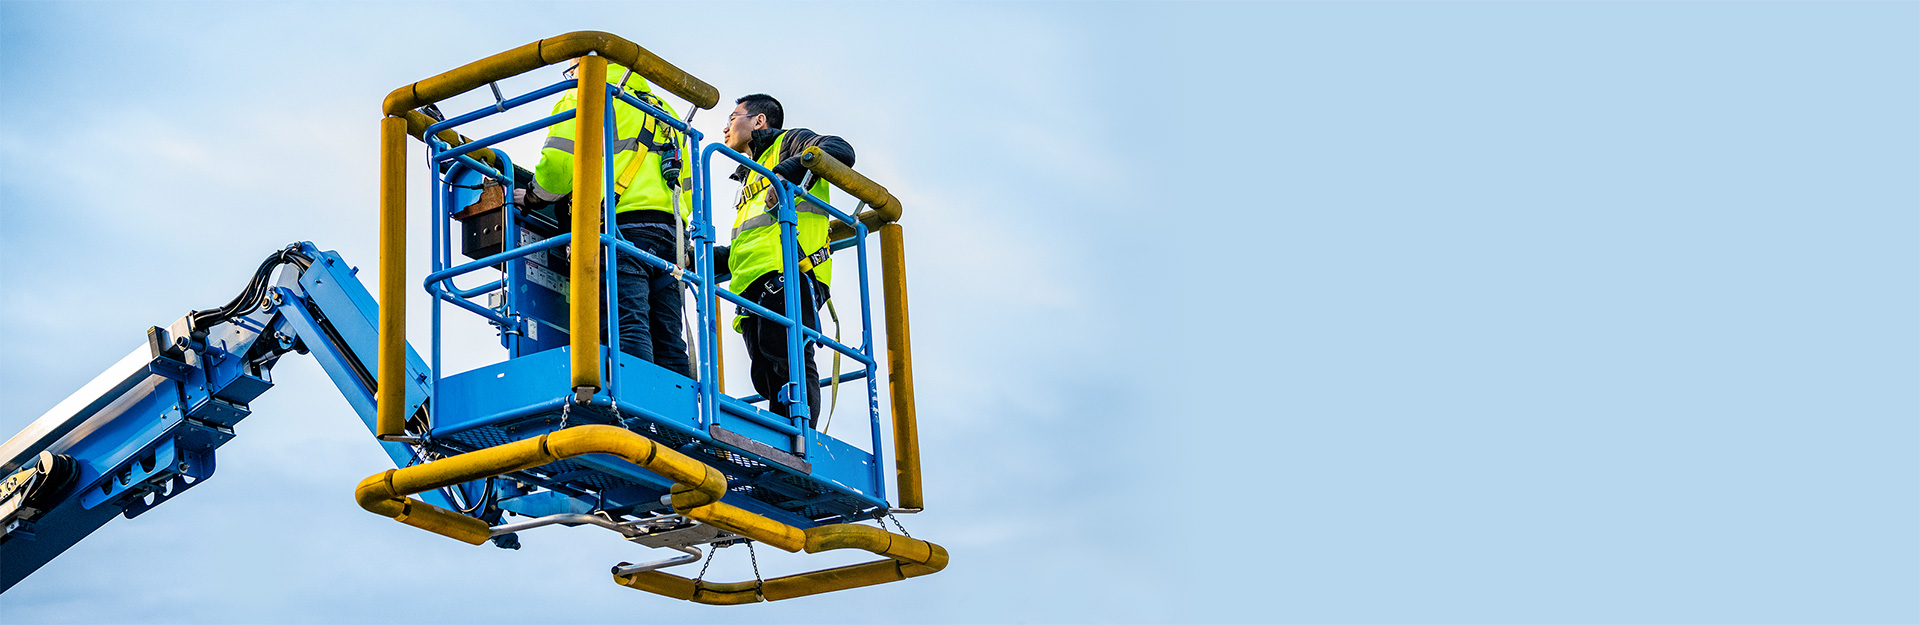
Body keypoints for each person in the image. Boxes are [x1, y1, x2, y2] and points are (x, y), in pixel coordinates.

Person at [523, 60, 694, 378]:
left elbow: (559, 165)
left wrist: (534, 195)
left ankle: (634, 403)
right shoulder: (665, 110)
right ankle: (675, 409)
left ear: (581, 66)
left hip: (620, 225)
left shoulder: (585, 92)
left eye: (571, 70)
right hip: (671, 234)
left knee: (626, 323)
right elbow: (686, 189)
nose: (571, 76)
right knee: (669, 337)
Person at [715, 94, 854, 426]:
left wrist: (785, 173)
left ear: (759, 120)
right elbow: (750, 239)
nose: (725, 128)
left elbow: (841, 150)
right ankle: (782, 434)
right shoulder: (750, 174)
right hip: (749, 285)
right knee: (765, 374)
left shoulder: (787, 144)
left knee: (789, 361)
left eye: (732, 118)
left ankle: (799, 438)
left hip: (789, 273)